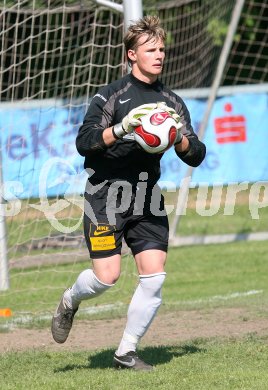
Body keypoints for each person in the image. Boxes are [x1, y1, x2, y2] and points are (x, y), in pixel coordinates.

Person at [51, 15, 206, 371]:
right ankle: (70, 300)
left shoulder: (172, 102)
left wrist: (175, 136)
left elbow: (196, 154)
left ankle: (126, 352)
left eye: (162, 49)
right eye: (150, 49)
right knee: (106, 277)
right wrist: (123, 128)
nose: (159, 55)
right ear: (131, 55)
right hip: (106, 195)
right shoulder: (111, 96)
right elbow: (84, 143)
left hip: (147, 197)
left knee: (155, 276)